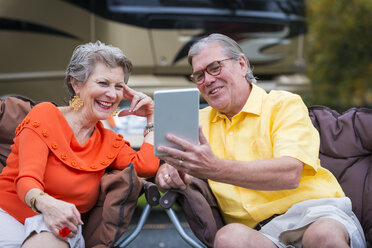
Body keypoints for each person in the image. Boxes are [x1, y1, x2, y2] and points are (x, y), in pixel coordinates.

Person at [155, 33, 366, 248]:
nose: (208, 80)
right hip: (259, 233)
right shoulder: (198, 121)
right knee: (228, 238)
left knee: (323, 236)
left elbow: (290, 173)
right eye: (199, 75)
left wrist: (214, 168)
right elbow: (171, 166)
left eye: (215, 67)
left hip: (316, 213)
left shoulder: (283, 104)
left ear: (241, 64)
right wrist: (168, 174)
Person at [0, 41, 159, 248]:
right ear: (76, 84)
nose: (112, 94)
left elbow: (147, 165)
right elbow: (27, 180)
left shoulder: (109, 142)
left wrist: (152, 116)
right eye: (103, 83)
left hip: (59, 229)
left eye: (118, 86)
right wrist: (49, 205)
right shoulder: (45, 115)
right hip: (8, 217)